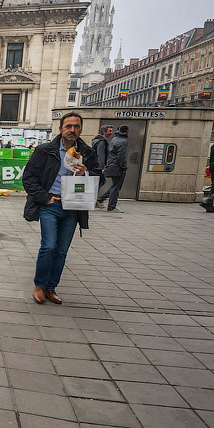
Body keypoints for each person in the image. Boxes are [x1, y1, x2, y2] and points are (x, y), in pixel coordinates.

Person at [22, 111, 100, 306]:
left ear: (81, 129)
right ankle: (39, 285)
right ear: (61, 129)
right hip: (51, 204)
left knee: (61, 250)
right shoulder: (45, 151)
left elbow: (101, 178)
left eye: (76, 127)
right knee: (49, 246)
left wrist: (86, 173)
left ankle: (51, 287)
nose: (72, 130)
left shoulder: (87, 153)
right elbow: (28, 178)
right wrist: (45, 198)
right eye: (68, 126)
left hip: (73, 207)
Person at [96, 125, 128, 213]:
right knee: (116, 187)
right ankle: (112, 206)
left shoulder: (114, 139)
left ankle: (100, 199)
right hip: (117, 166)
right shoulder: (123, 141)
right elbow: (121, 156)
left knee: (115, 185)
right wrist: (124, 167)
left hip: (111, 165)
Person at [91, 125, 113, 189]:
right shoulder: (102, 142)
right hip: (98, 167)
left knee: (99, 183)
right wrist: (102, 168)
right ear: (104, 131)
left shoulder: (96, 140)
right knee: (101, 181)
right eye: (110, 131)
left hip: (95, 167)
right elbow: (101, 155)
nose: (111, 133)